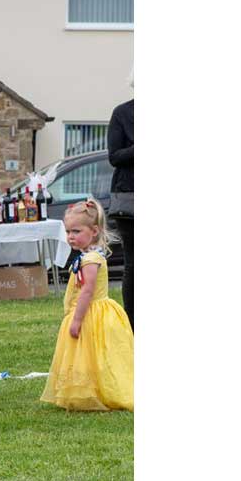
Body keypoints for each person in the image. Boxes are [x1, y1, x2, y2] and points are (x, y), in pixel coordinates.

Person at [41, 199, 134, 412]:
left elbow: (87, 291)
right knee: (88, 354)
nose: (71, 236)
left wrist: (77, 319)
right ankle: (89, 388)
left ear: (94, 231)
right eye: (68, 231)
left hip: (92, 314)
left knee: (93, 352)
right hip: (91, 311)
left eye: (76, 231)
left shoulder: (90, 259)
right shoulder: (88, 255)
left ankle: (97, 390)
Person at [107, 83, 134, 328]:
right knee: (133, 264)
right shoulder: (122, 113)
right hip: (130, 200)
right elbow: (114, 156)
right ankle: (132, 323)